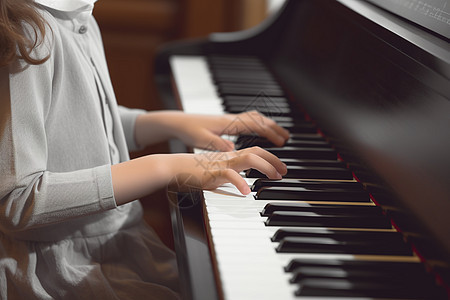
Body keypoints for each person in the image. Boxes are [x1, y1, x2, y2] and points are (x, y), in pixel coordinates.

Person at [0, 0, 289, 299]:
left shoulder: (76, 14)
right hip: (60, 270)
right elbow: (17, 200)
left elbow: (79, 126)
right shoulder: (28, 33)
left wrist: (171, 123)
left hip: (112, 247)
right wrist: (165, 168)